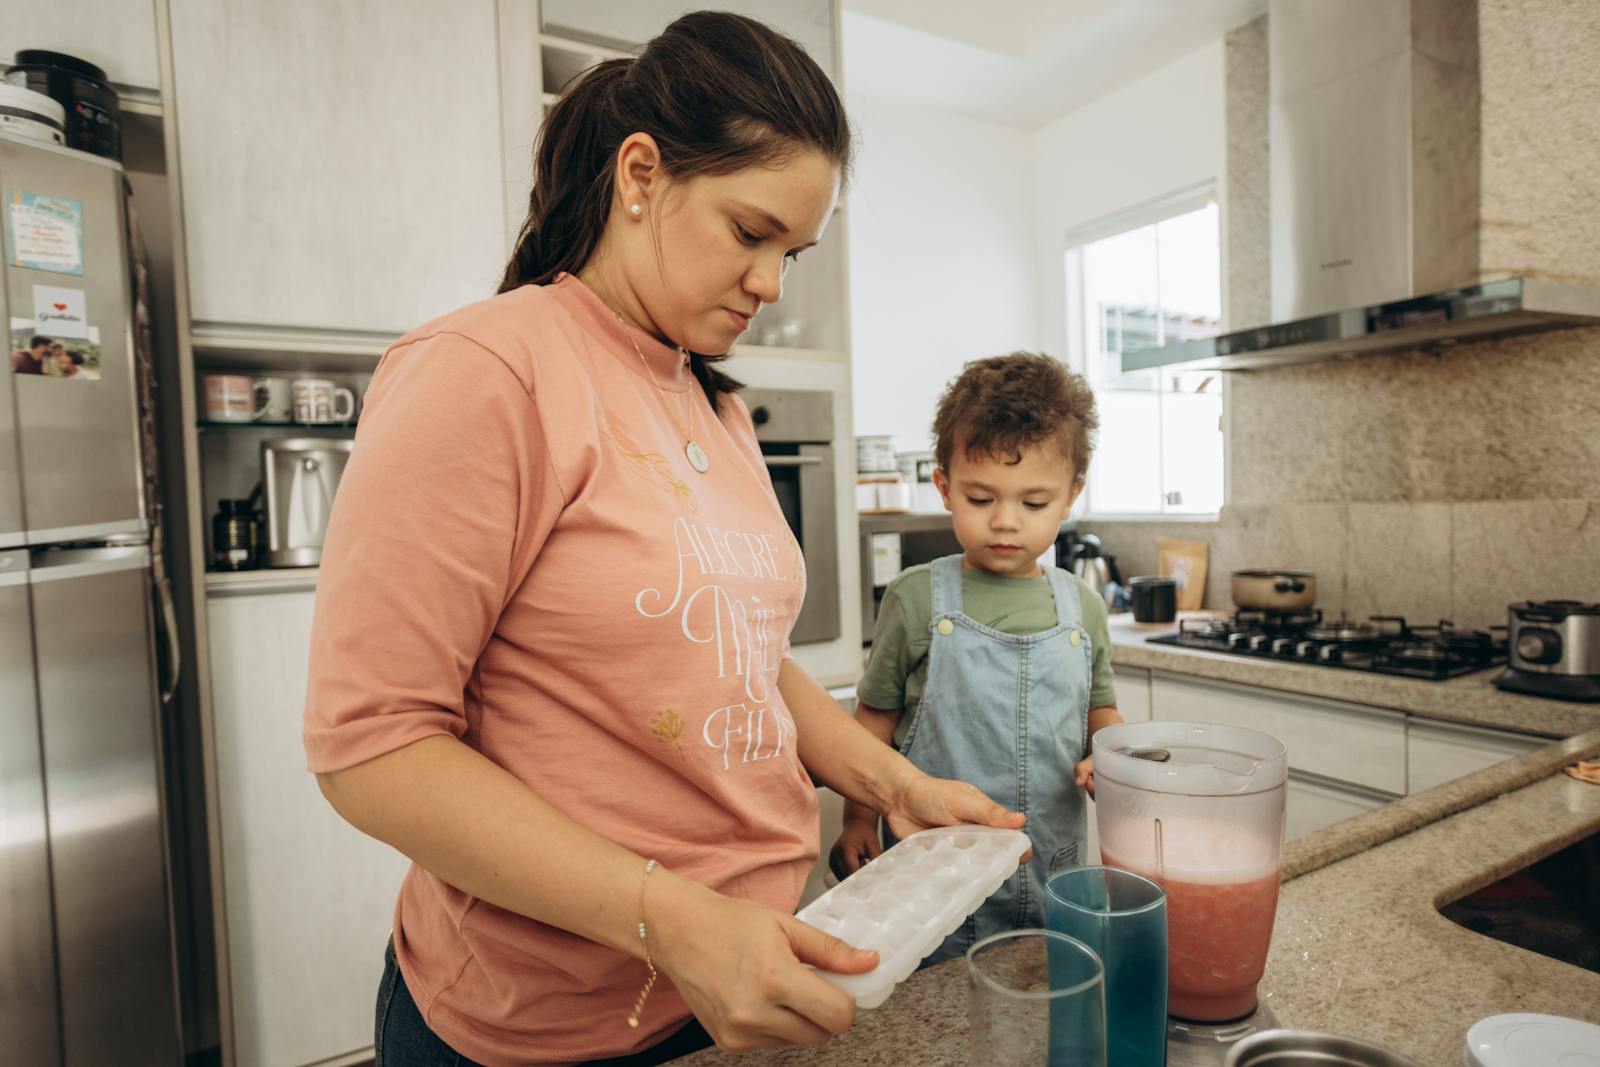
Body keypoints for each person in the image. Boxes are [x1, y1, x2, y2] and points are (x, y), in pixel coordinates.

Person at [303, 12, 1025, 1067]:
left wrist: (891, 784)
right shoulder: (485, 370)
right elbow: (371, 748)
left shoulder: (716, 406)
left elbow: (739, 658)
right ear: (640, 174)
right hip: (543, 1026)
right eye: (749, 232)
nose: (773, 285)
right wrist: (677, 921)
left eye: (794, 250)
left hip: (741, 983)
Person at [830, 353, 1123, 965]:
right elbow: (872, 726)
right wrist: (858, 818)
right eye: (981, 497)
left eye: (1034, 503)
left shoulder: (1084, 610)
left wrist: (1112, 758)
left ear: (1071, 497)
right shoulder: (915, 598)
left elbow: (1102, 712)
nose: (1005, 522)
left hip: (1054, 876)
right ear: (944, 487)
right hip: (933, 885)